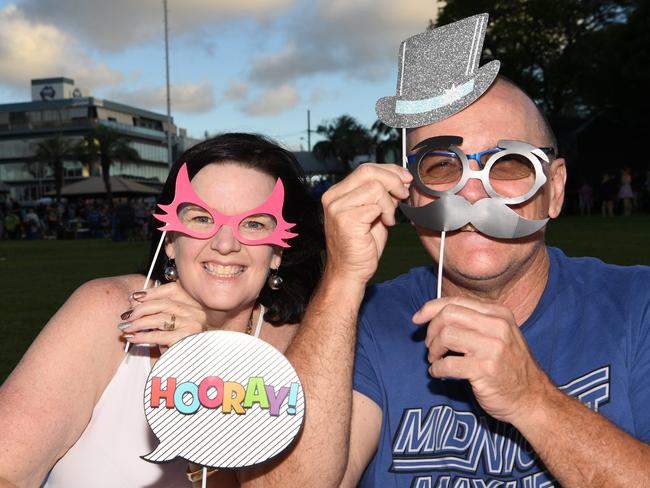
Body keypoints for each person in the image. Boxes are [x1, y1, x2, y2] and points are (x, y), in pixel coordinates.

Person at [272, 16, 650, 488]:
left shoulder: (639, 305)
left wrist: (533, 399)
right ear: (409, 193)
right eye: (442, 167)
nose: (472, 196)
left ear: (554, 190)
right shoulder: (362, 324)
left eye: (508, 164)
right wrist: (343, 280)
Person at [0, 133, 324, 487]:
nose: (225, 244)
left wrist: (201, 370)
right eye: (201, 218)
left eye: (254, 224)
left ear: (277, 251)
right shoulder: (109, 313)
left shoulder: (300, 354)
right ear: (170, 240)